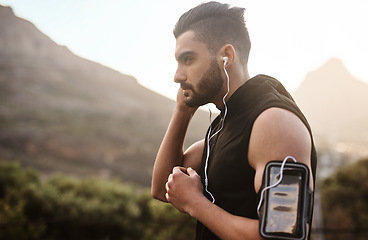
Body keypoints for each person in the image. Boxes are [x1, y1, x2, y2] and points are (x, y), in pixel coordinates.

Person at [151, 1, 317, 239]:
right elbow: (161, 188)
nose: (177, 76)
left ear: (226, 56)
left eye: (188, 59)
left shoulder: (274, 122)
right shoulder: (224, 125)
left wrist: (197, 204)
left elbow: (284, 235)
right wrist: (182, 111)